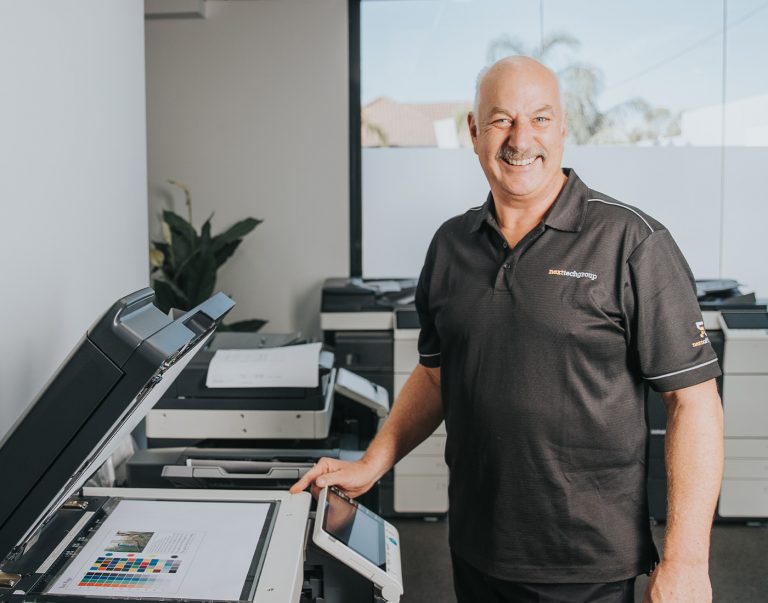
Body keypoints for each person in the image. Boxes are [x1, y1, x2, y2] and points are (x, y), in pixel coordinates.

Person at [292, 56, 724, 603]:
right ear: (474, 132)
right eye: (501, 120)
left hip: (584, 561)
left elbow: (695, 402)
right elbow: (436, 376)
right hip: (476, 543)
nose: (521, 139)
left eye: (540, 119)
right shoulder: (451, 244)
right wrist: (372, 463)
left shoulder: (632, 242)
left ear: (564, 129)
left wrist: (687, 559)